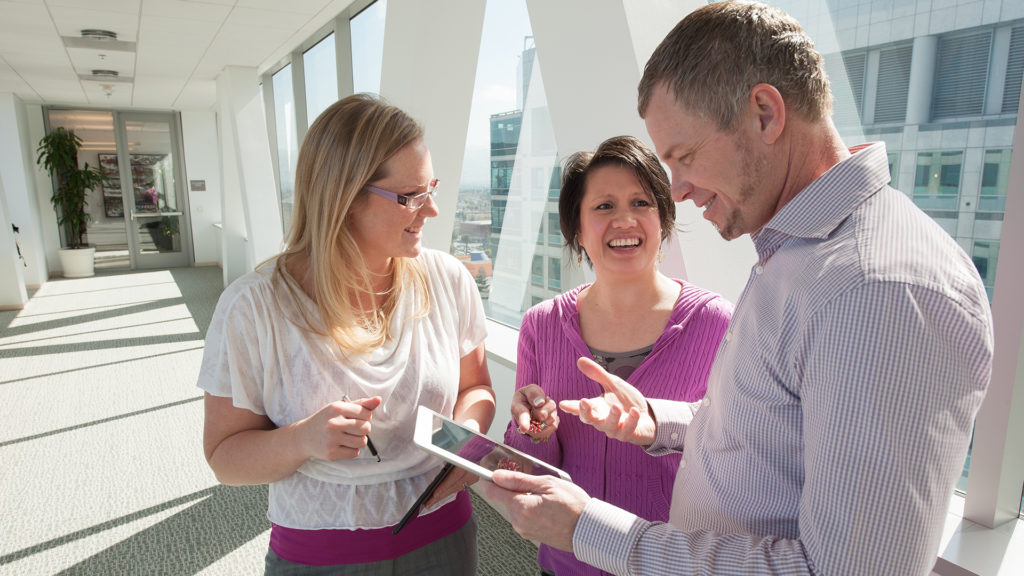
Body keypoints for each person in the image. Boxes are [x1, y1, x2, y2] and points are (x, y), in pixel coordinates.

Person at [485, 2, 994, 575]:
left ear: (765, 114)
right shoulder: (802, 257)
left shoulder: (874, 291)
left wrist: (592, 530)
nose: (678, 190)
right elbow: (767, 433)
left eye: (684, 157)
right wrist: (658, 420)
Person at [198, 94, 495, 575]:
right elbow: (224, 458)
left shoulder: (447, 279)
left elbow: (475, 387)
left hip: (444, 535)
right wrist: (301, 440)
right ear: (345, 198)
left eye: (432, 188)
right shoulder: (254, 307)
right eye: (412, 195)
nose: (433, 210)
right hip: (321, 557)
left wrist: (464, 442)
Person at [503, 135, 732, 576]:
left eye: (641, 203)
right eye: (604, 206)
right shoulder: (541, 325)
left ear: (663, 220)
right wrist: (535, 431)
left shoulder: (717, 323)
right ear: (577, 228)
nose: (624, 220)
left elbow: (736, 449)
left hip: (670, 562)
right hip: (567, 558)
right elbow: (531, 467)